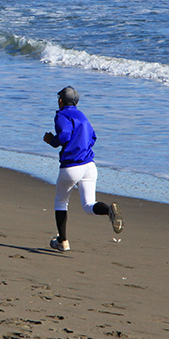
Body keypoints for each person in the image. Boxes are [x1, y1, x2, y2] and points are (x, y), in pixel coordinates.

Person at [42, 86, 123, 251]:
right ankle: (109, 210)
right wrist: (80, 146)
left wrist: (52, 141)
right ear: (76, 102)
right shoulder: (82, 116)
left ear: (60, 101)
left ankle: (62, 241)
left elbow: (64, 135)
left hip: (71, 167)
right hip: (89, 166)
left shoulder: (61, 115)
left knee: (61, 202)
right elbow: (93, 137)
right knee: (89, 205)